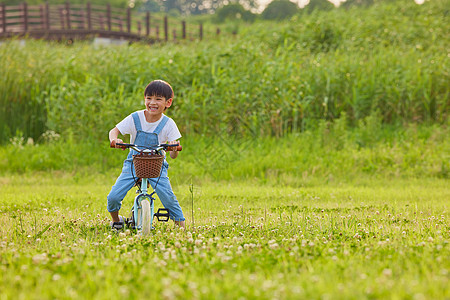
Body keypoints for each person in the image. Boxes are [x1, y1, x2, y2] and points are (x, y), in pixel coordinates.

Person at [107, 80, 185, 230]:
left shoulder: (168, 124)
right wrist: (114, 139)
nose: (152, 103)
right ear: (144, 100)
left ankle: (182, 229)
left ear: (168, 103)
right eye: (149, 98)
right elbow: (114, 131)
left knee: (168, 199)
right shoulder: (135, 118)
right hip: (134, 163)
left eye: (158, 99)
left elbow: (174, 156)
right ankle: (116, 220)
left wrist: (173, 146)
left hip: (157, 165)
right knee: (114, 196)